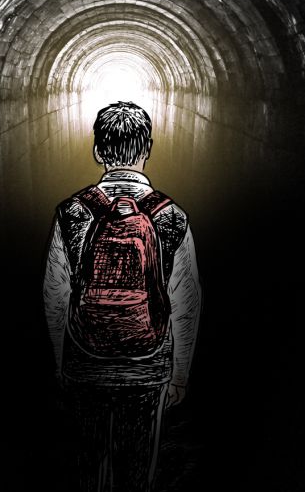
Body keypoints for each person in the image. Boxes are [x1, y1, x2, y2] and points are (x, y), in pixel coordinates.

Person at [43, 101, 202, 492]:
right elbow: (185, 300)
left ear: (97, 150)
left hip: (85, 360)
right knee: (137, 470)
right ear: (147, 148)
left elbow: (55, 294)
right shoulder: (171, 215)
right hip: (148, 365)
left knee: (88, 464)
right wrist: (179, 373)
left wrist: (60, 361)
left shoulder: (71, 212)